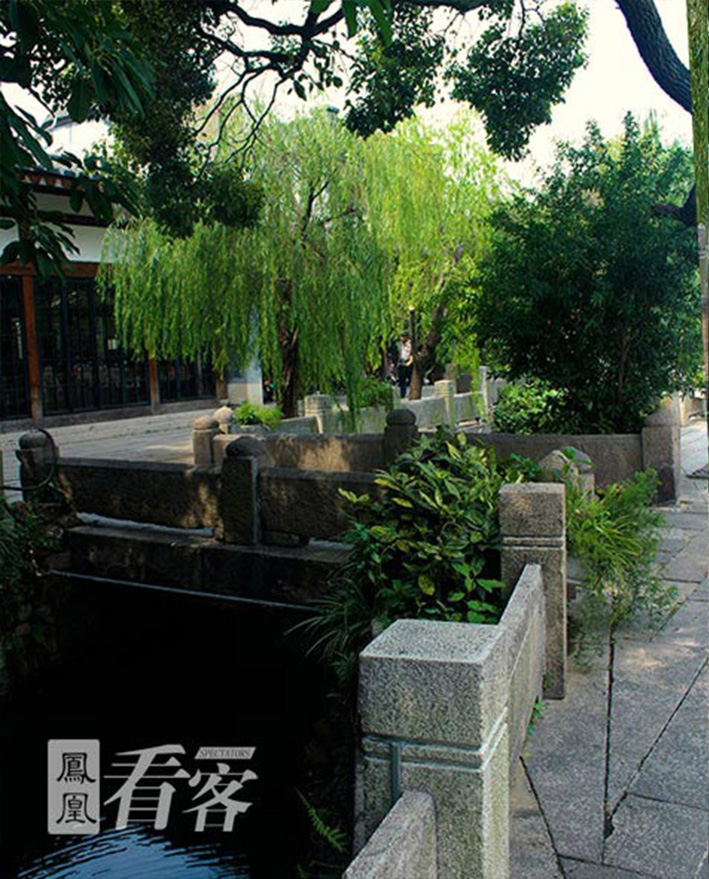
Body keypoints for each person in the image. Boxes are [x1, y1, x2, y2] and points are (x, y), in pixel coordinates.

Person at [397, 332, 413, 398]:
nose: (401, 338)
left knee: (410, 378)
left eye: (403, 337)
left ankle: (411, 393)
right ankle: (402, 394)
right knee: (401, 379)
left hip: (408, 362)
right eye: (401, 337)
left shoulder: (410, 344)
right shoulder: (399, 345)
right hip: (401, 363)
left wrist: (410, 361)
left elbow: (412, 354)